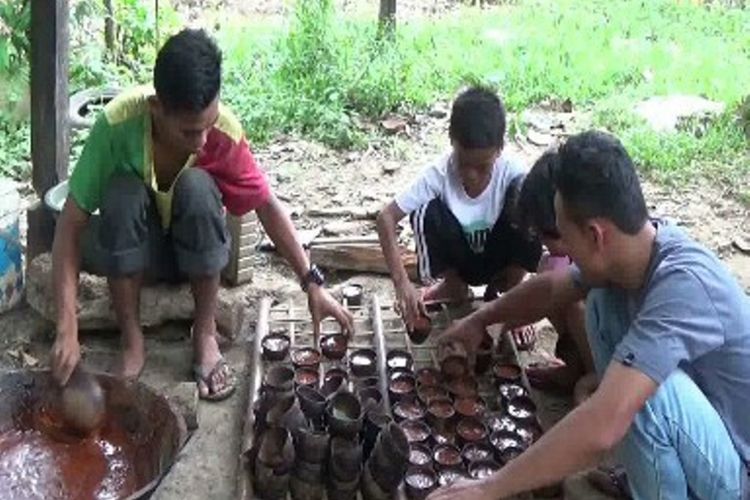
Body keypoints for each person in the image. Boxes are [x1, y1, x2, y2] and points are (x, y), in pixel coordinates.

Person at [428, 130, 750, 499]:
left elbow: (605, 424)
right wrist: (479, 320)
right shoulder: (639, 250)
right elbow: (551, 289)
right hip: (708, 433)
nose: (559, 252)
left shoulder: (684, 287)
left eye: (564, 235)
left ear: (596, 235)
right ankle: (643, 480)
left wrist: (488, 488)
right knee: (601, 304)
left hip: (739, 471)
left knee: (646, 399)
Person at [50, 29, 353, 400]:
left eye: (208, 126)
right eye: (190, 132)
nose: (203, 141)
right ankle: (132, 339)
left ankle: (205, 333)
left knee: (198, 186)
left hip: (197, 260)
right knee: (121, 193)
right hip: (135, 259)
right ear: (157, 109)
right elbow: (69, 224)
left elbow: (267, 205)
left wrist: (312, 282)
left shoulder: (223, 133)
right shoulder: (117, 126)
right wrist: (67, 325)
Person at [376, 86, 541, 345]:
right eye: (464, 163)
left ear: (500, 149)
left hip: (500, 261)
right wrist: (401, 283)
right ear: (452, 141)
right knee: (423, 210)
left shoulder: (514, 173)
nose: (472, 174)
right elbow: (385, 218)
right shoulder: (438, 174)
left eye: (482, 166)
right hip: (463, 260)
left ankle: (513, 291)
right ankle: (453, 285)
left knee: (529, 201)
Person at [516, 150, 595, 394]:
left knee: (571, 301)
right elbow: (541, 292)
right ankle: (576, 368)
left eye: (546, 234)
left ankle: (594, 377)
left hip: (623, 366)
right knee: (549, 275)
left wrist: (591, 387)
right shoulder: (565, 255)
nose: (542, 241)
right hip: (598, 337)